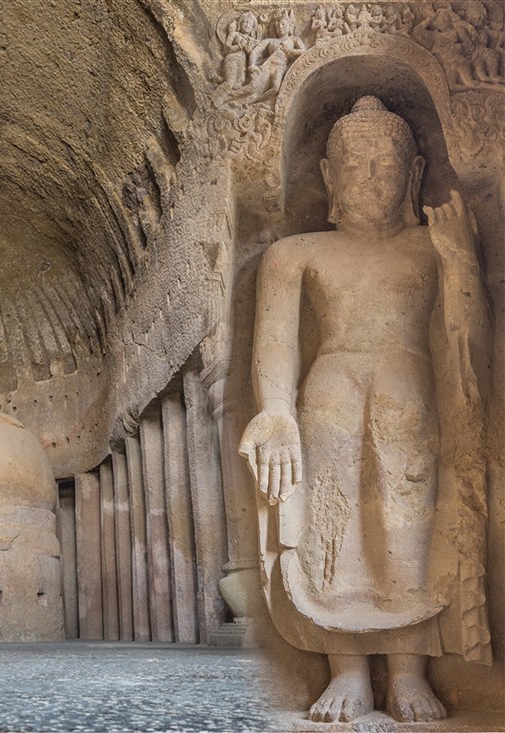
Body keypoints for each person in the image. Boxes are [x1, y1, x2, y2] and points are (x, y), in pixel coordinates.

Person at [238, 96, 492, 723]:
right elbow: (273, 346)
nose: (373, 178)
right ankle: (346, 672)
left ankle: (409, 673)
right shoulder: (295, 254)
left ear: (412, 173)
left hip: (409, 392)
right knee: (333, 529)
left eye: (387, 164)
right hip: (327, 396)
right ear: (328, 176)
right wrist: (274, 414)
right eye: (356, 165)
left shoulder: (431, 250)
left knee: (408, 530)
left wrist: (462, 262)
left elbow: (474, 348)